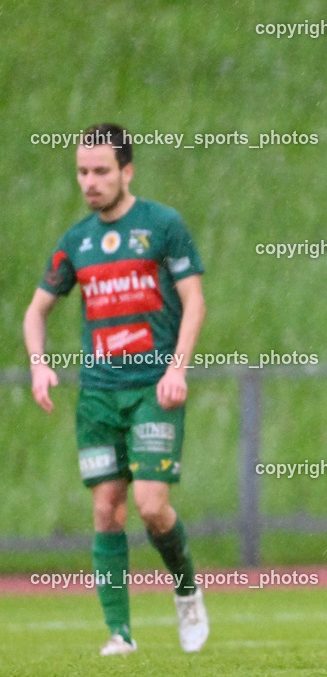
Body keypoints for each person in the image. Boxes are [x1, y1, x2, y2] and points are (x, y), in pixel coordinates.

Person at [23, 123, 210, 656]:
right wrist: (39, 365)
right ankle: (119, 634)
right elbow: (36, 311)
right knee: (107, 509)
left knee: (152, 506)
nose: (91, 181)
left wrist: (178, 368)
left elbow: (194, 301)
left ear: (127, 170)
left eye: (101, 170)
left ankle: (187, 589)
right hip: (99, 395)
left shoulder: (162, 226)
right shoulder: (77, 242)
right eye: (83, 171)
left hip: (154, 387)